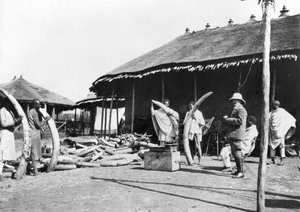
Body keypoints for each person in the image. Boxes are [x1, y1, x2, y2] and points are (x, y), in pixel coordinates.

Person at [223, 92, 247, 178]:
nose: (233, 102)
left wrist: (227, 119)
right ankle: (238, 171)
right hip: (234, 134)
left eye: (235, 101)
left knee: (237, 152)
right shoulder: (236, 110)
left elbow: (239, 121)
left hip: (237, 134)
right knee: (235, 152)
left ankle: (240, 172)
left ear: (240, 101)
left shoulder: (241, 110)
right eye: (233, 101)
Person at [0, 98, 22, 181]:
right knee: (2, 153)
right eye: (7, 102)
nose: (9, 104)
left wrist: (18, 121)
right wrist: (14, 121)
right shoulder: (2, 111)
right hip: (5, 133)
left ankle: (9, 170)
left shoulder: (10, 111)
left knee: (8, 154)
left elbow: (13, 123)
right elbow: (3, 123)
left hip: (10, 133)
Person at [269, 100, 296, 165]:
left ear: (276, 105)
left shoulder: (282, 112)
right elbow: (268, 119)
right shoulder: (271, 113)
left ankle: (282, 160)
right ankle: (272, 160)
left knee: (281, 146)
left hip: (281, 132)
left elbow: (291, 118)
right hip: (273, 132)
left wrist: (284, 127)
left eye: (273, 105)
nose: (272, 106)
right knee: (272, 146)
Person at [28, 99, 51, 175]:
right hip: (34, 133)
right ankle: (35, 170)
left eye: (40, 104)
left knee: (35, 152)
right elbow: (38, 125)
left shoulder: (34, 112)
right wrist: (45, 120)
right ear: (34, 105)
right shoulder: (34, 112)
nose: (39, 105)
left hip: (35, 133)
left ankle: (31, 168)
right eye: (38, 104)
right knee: (34, 152)